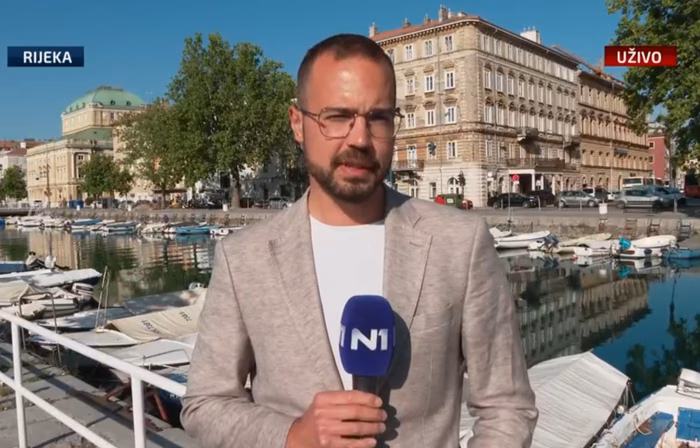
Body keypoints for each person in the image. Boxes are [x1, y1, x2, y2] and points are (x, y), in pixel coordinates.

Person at [181, 33, 538, 448]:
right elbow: (205, 403)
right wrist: (292, 436)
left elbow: (507, 407)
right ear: (297, 123)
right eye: (337, 117)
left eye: (378, 118)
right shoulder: (243, 257)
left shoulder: (460, 243)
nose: (360, 139)